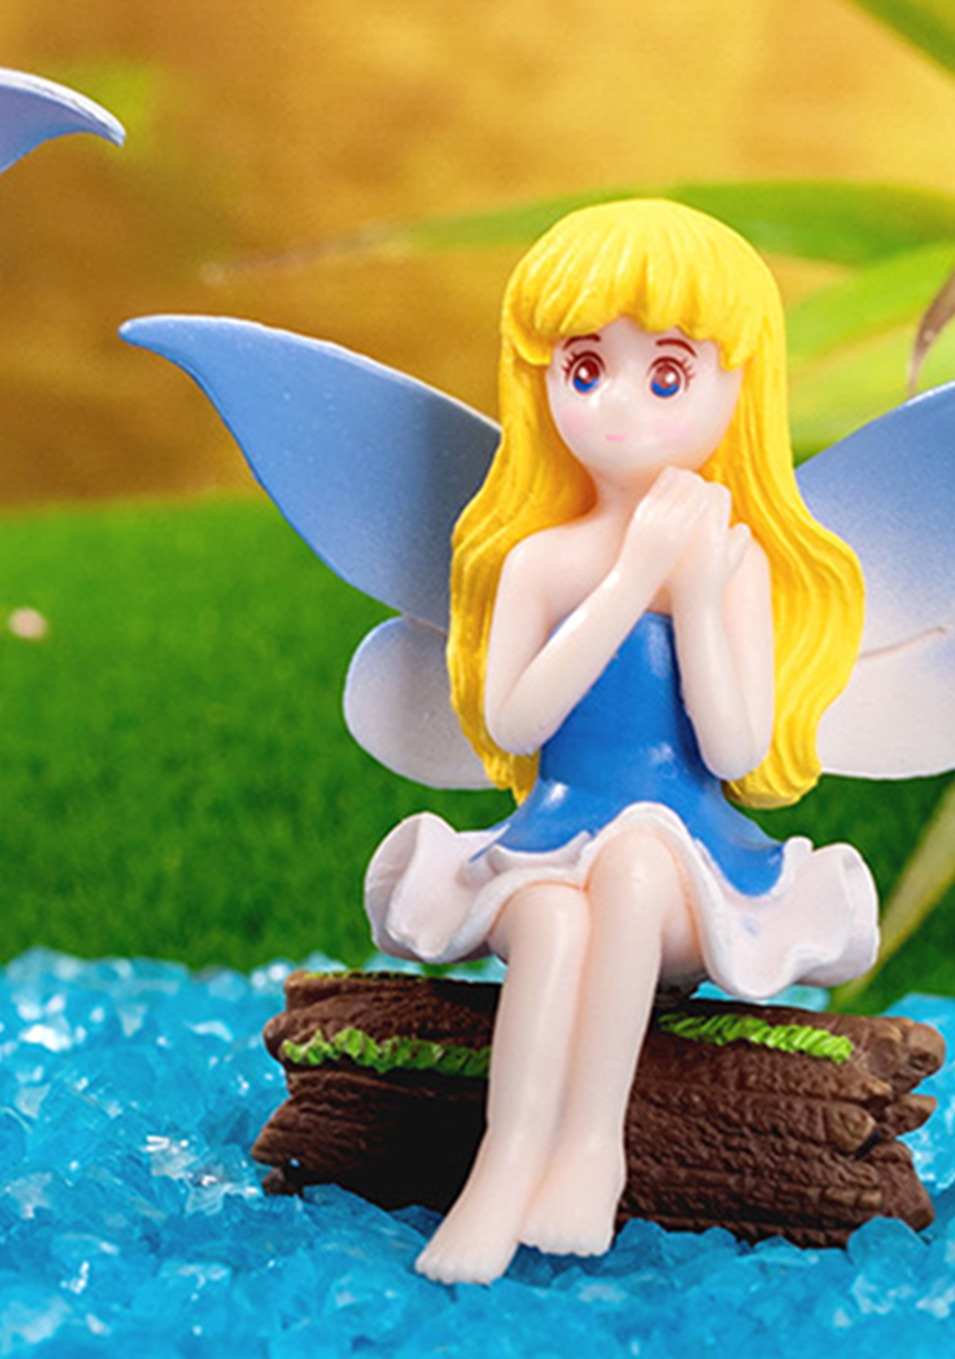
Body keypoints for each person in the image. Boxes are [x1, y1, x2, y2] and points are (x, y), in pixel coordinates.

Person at [363, 199, 877, 1283]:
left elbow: (734, 751)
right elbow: (514, 722)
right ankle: (505, 1162)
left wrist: (694, 597)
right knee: (555, 921)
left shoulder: (734, 561)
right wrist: (633, 577)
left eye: (668, 375)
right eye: (586, 369)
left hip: (685, 863)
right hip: (551, 840)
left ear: (738, 386)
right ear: (541, 380)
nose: (619, 407)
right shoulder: (538, 561)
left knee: (637, 861)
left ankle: (592, 1150)